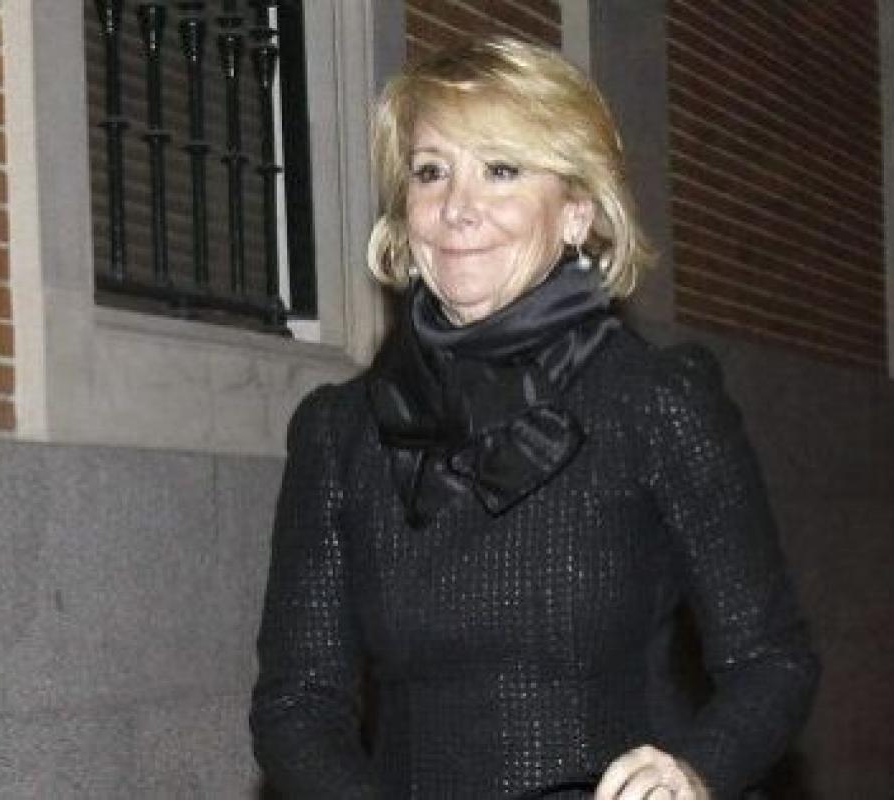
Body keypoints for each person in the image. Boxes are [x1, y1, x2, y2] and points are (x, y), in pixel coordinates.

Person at [250, 37, 819, 799]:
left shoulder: (655, 401)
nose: (457, 208)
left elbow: (771, 659)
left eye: (501, 170)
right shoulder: (339, 431)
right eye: (430, 172)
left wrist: (694, 769)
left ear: (577, 212)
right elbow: (296, 704)